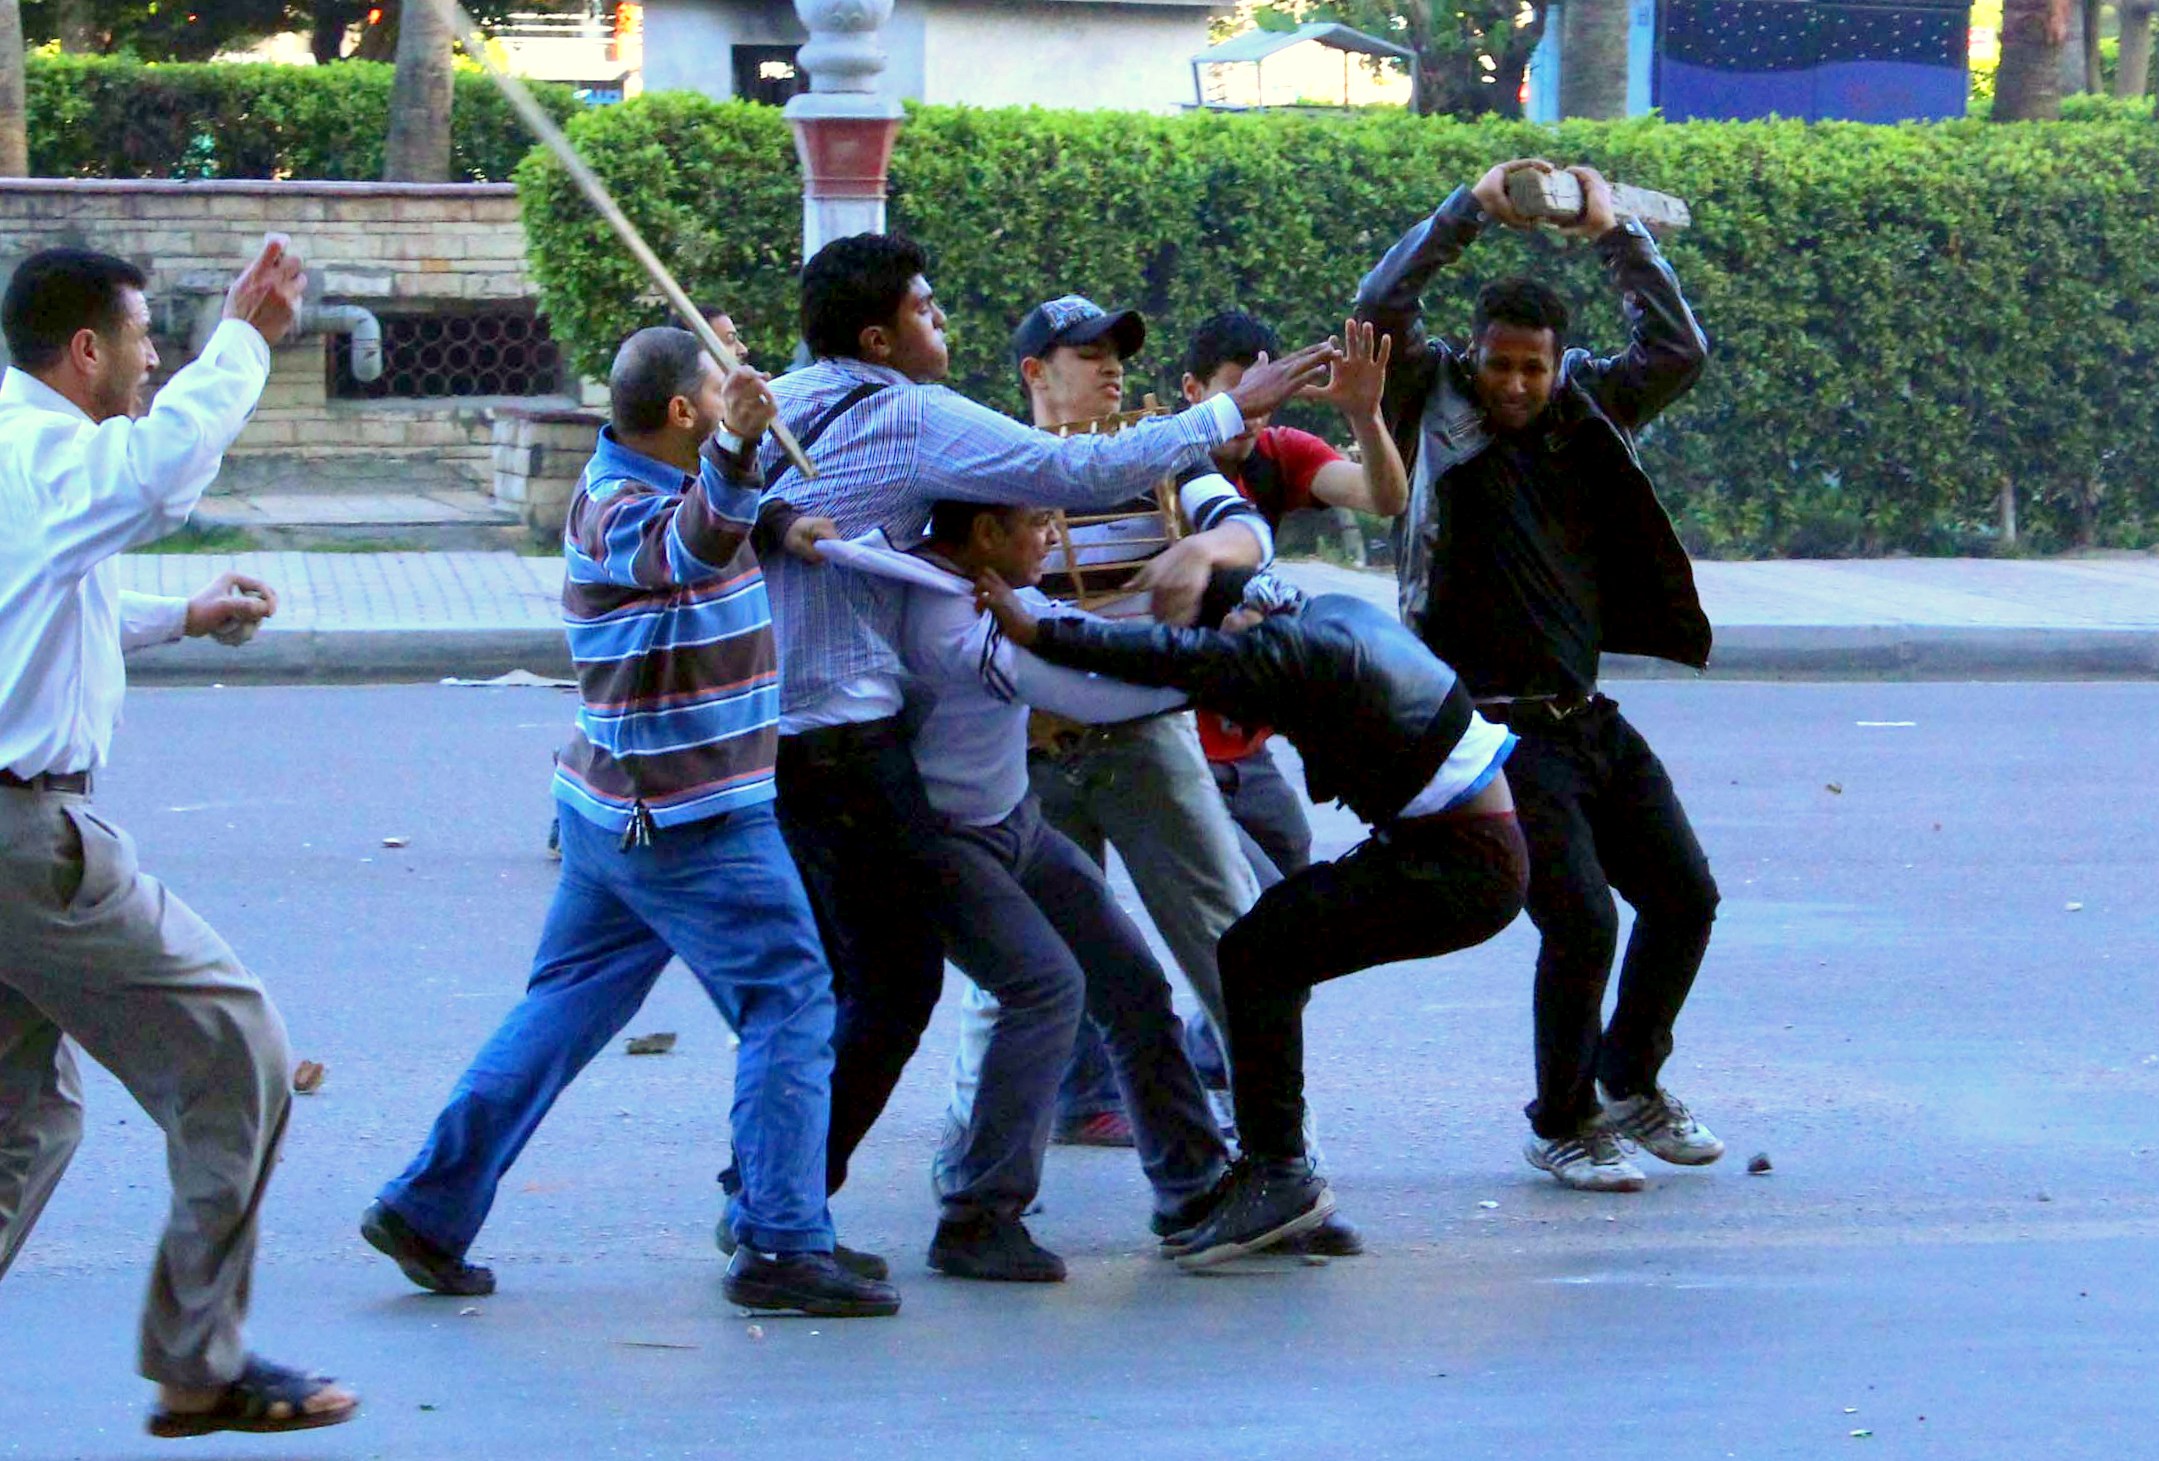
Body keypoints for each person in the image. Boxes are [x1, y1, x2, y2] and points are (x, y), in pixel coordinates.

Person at [725, 235, 1335, 1232]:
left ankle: (1188, 1186)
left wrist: (765, 509)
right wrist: (1231, 412)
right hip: (857, 764)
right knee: (953, 991)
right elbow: (1074, 482)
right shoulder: (942, 520)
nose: (941, 322)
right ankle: (872, 1209)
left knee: (1097, 979)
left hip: (907, 780)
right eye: (925, 310)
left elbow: (729, 505)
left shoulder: (793, 409)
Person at [364, 327, 899, 1320]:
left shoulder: (664, 479)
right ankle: (780, 1241)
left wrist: (757, 475)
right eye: (713, 385)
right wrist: (739, 450)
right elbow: (692, 540)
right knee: (790, 999)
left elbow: (725, 517)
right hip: (685, 817)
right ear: (685, 417)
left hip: (618, 812)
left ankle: (428, 1207)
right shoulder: (620, 507)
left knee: (565, 1004)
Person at [0, 241, 361, 1436]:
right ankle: (197, 1361)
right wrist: (246, 336)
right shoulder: (50, 453)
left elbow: (48, 599)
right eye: (147, 338)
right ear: (88, 349)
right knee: (238, 1058)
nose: (158, 361)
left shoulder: (22, 459)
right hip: (26, 841)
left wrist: (182, 614)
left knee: (23, 1120)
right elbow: (156, 480)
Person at [978, 565, 1527, 1267]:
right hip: (1450, 850)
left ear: (1242, 621)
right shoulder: (1324, 615)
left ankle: (1280, 1174)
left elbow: (1179, 657)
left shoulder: (1298, 650)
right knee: (1259, 950)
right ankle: (1278, 1169)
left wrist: (1040, 630)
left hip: (1458, 867)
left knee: (1257, 954)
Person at [1355, 158, 1724, 1193]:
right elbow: (1381, 304)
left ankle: (1627, 1081)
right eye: (1498, 366)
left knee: (1684, 897)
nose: (1512, 385)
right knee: (1580, 919)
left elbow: (1677, 348)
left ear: (1559, 368)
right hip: (1495, 730)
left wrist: (1614, 233)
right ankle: (1560, 1120)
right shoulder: (1433, 401)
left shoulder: (1586, 409)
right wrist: (1468, 208)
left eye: (1532, 368)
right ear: (1469, 361)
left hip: (1586, 717)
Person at [820, 501, 1232, 1279]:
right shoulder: (950, 619)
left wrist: (1212, 614)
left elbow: (1090, 633)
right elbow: (1083, 691)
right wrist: (1224, 670)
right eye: (1037, 522)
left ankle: (1196, 1188)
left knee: (1132, 983)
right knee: (1045, 988)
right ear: (984, 535)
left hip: (1015, 821)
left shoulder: (991, 589)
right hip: (947, 843)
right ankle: (976, 1215)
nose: (1053, 536)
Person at [1177, 310, 1408, 889]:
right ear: (1192, 391)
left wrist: (1365, 415)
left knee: (1291, 884)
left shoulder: (1280, 455)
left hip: (1246, 745)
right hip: (1171, 741)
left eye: (1266, 396)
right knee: (1248, 907)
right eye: (1238, 394)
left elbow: (1385, 498)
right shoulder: (1155, 462)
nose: (1254, 412)